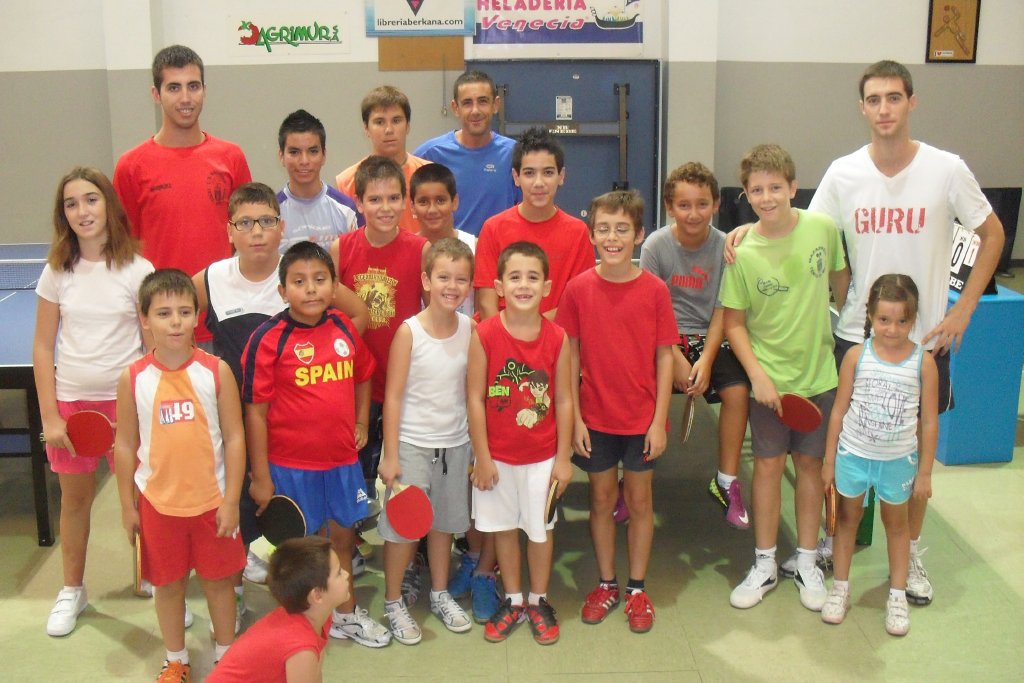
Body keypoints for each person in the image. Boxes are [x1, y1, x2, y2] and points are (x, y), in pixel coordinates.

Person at [805, 60, 1004, 604]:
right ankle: (835, 541)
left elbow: (992, 234)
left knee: (912, 455)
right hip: (857, 337)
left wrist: (964, 309)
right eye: (874, 99)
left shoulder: (946, 169)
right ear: (862, 108)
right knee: (844, 445)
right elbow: (806, 233)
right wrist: (747, 233)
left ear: (911, 102)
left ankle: (910, 553)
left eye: (894, 97)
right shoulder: (843, 173)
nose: (884, 108)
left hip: (924, 344)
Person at [193, 182, 368, 600]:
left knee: (306, 528)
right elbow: (170, 316)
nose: (256, 231)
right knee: (238, 511)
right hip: (238, 424)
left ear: (281, 226)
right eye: (245, 223)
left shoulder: (299, 273)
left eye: (266, 221)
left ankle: (323, 601)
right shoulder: (210, 279)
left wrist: (329, 355)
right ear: (230, 230)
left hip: (296, 435)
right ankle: (234, 592)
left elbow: (358, 315)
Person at [242, 241, 391, 649]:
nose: (310, 289)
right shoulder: (267, 339)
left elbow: (364, 375)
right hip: (290, 469)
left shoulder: (343, 327)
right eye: (299, 281)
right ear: (282, 290)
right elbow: (255, 413)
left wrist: (361, 421)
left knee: (340, 541)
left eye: (320, 279)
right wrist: (260, 477)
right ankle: (297, 625)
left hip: (341, 463)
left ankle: (346, 615)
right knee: (298, 550)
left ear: (334, 286)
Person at [718, 144, 848, 612]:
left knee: (810, 468)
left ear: (793, 187)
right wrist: (757, 376)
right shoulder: (742, 252)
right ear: (746, 194)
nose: (767, 197)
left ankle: (807, 561)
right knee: (769, 468)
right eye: (757, 190)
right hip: (769, 385)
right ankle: (765, 563)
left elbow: (841, 281)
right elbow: (733, 323)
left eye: (775, 187)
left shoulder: (822, 228)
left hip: (819, 377)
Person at [34, 167, 154, 638]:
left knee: (143, 497)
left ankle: (155, 579)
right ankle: (72, 590)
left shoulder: (138, 270)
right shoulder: (56, 272)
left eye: (90, 199)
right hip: (72, 406)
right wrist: (50, 415)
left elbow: (151, 347)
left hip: (126, 406)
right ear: (62, 214)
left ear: (108, 205)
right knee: (75, 500)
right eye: (71, 203)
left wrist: (148, 408)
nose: (82, 211)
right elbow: (43, 346)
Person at [114, 269, 247, 682]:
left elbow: (235, 437)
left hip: (213, 504)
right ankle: (176, 659)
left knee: (219, 583)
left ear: (196, 317)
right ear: (144, 319)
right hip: (158, 506)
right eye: (164, 313)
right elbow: (124, 445)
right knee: (168, 586)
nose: (175, 322)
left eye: (185, 312)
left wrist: (231, 500)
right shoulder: (132, 378)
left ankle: (227, 657)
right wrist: (127, 505)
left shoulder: (216, 371)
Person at [557, 191, 676, 634]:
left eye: (622, 229)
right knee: (602, 500)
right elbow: (569, 355)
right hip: (595, 419)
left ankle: (637, 588)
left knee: (640, 502)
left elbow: (665, 357)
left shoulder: (655, 291)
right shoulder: (578, 289)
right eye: (604, 229)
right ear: (592, 236)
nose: (612, 237)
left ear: (639, 235)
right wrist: (575, 420)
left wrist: (658, 421)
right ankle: (606, 582)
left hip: (641, 421)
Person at [468, 241, 573, 645]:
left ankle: (538, 600)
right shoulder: (485, 334)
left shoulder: (558, 338)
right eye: (514, 277)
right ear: (499, 286)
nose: (523, 285)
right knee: (504, 530)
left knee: (540, 530)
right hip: (497, 458)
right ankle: (513, 599)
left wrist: (563, 459)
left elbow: (564, 400)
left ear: (547, 287)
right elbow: (475, 398)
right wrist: (482, 457)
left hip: (542, 458)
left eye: (532, 277)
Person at [821, 274, 938, 637]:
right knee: (847, 522)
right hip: (853, 455)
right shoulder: (856, 357)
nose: (892, 329)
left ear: (913, 319)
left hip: (897, 462)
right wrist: (829, 461)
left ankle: (897, 595)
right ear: (870, 316)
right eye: (884, 319)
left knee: (897, 526)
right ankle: (840, 588)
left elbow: (929, 422)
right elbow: (838, 411)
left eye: (902, 321)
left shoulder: (923, 363)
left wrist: (925, 473)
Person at [113, 44, 252, 347]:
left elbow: (246, 238)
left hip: (223, 322)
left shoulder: (231, 157)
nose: (186, 98)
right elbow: (125, 250)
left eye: (193, 86)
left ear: (205, 90)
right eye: (174, 88)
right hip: (162, 330)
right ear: (156, 94)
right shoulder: (130, 166)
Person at [640, 162, 752, 529]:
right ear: (669, 207)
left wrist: (705, 359)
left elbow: (723, 308)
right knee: (636, 389)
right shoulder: (656, 245)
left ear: (716, 204)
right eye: (684, 205)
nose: (693, 213)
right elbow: (651, 312)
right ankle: (633, 480)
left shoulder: (726, 247)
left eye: (702, 204)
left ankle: (725, 481)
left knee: (737, 393)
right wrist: (674, 357)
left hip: (711, 337)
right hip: (664, 339)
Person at [377, 238, 476, 645]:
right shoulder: (409, 332)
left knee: (443, 526)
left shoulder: (471, 330)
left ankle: (439, 592)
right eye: (443, 277)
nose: (452, 286)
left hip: (455, 446)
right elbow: (393, 396)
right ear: (426, 280)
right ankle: (393, 600)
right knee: (403, 530)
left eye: (461, 279)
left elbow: (471, 393)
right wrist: (390, 455)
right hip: (412, 446)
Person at [330, 156, 430, 542]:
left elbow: (433, 314)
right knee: (355, 462)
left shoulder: (421, 250)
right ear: (358, 202)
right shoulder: (341, 248)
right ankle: (351, 537)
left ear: (405, 201)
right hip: (356, 381)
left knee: (405, 466)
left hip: (405, 381)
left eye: (393, 198)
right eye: (374, 199)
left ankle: (410, 541)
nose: (384, 208)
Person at [474, 126, 595, 321]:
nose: (539, 183)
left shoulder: (578, 233)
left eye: (548, 172)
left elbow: (577, 304)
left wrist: (535, 333)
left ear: (561, 176)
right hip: (501, 336)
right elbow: (487, 304)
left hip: (556, 337)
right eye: (529, 173)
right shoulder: (493, 229)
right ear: (516, 177)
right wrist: (508, 336)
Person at [206, 537, 350, 682]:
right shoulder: (300, 645)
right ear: (317, 595)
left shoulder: (318, 616)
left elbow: (315, 672)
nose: (347, 575)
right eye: (339, 573)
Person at [414, 70, 521, 236]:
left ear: (495, 105)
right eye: (467, 103)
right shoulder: (430, 154)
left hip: (499, 251)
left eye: (483, 101)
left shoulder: (515, 154)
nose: (475, 110)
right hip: (447, 252)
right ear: (455, 108)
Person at [336, 86, 428, 232]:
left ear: (408, 126)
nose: (389, 130)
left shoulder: (429, 175)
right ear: (366, 128)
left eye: (396, 120)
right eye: (379, 122)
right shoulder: (347, 182)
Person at [277, 109, 360, 253]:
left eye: (313, 151)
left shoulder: (347, 210)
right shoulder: (271, 214)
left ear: (324, 155)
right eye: (294, 152)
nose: (304, 161)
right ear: (281, 156)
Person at [410, 162, 477, 317]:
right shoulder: (406, 249)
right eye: (423, 202)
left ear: (455, 202)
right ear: (412, 206)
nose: (432, 209)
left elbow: (482, 310)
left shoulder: (475, 247)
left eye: (440, 200)